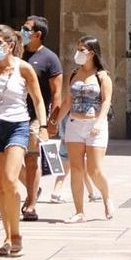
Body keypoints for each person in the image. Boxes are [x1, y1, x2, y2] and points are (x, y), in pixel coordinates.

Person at [0, 24, 48, 257]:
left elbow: (37, 99)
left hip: (18, 126)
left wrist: (43, 126)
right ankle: (7, 236)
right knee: (0, 185)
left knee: (10, 179)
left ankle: (16, 233)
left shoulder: (24, 68)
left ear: (10, 45)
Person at [52, 36, 115, 223]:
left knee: (94, 169)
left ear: (92, 53)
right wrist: (55, 121)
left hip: (95, 125)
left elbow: (106, 101)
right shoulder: (74, 74)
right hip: (74, 125)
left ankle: (106, 199)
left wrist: (98, 122)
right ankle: (79, 211)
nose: (78, 53)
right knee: (77, 169)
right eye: (78, 48)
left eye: (82, 50)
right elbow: (67, 102)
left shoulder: (102, 76)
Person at [19, 16, 63, 222]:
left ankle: (30, 205)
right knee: (1, 158)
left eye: (26, 29)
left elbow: (56, 93)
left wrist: (52, 122)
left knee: (31, 158)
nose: (22, 32)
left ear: (38, 34)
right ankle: (32, 187)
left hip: (35, 117)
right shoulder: (15, 52)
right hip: (12, 115)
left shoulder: (49, 59)